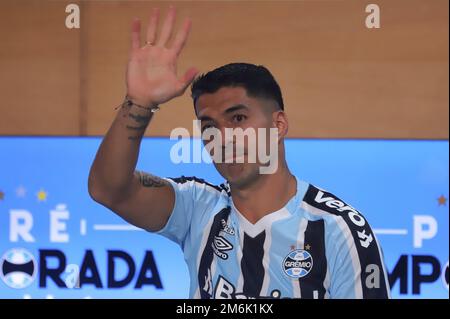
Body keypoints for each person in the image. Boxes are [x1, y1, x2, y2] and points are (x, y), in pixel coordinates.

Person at [88, 6, 391, 299]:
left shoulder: (339, 231)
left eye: (238, 119)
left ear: (279, 124)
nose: (223, 138)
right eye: (209, 126)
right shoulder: (197, 207)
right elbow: (108, 190)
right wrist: (139, 102)